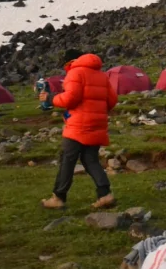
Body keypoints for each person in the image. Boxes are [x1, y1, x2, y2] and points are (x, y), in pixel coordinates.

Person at [40, 50, 117, 210]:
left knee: (67, 159)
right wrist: (97, 111)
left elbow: (71, 98)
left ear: (70, 62)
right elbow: (112, 100)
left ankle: (58, 197)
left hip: (78, 125)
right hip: (97, 123)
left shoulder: (76, 73)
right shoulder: (101, 75)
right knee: (90, 160)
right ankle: (105, 194)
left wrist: (51, 98)